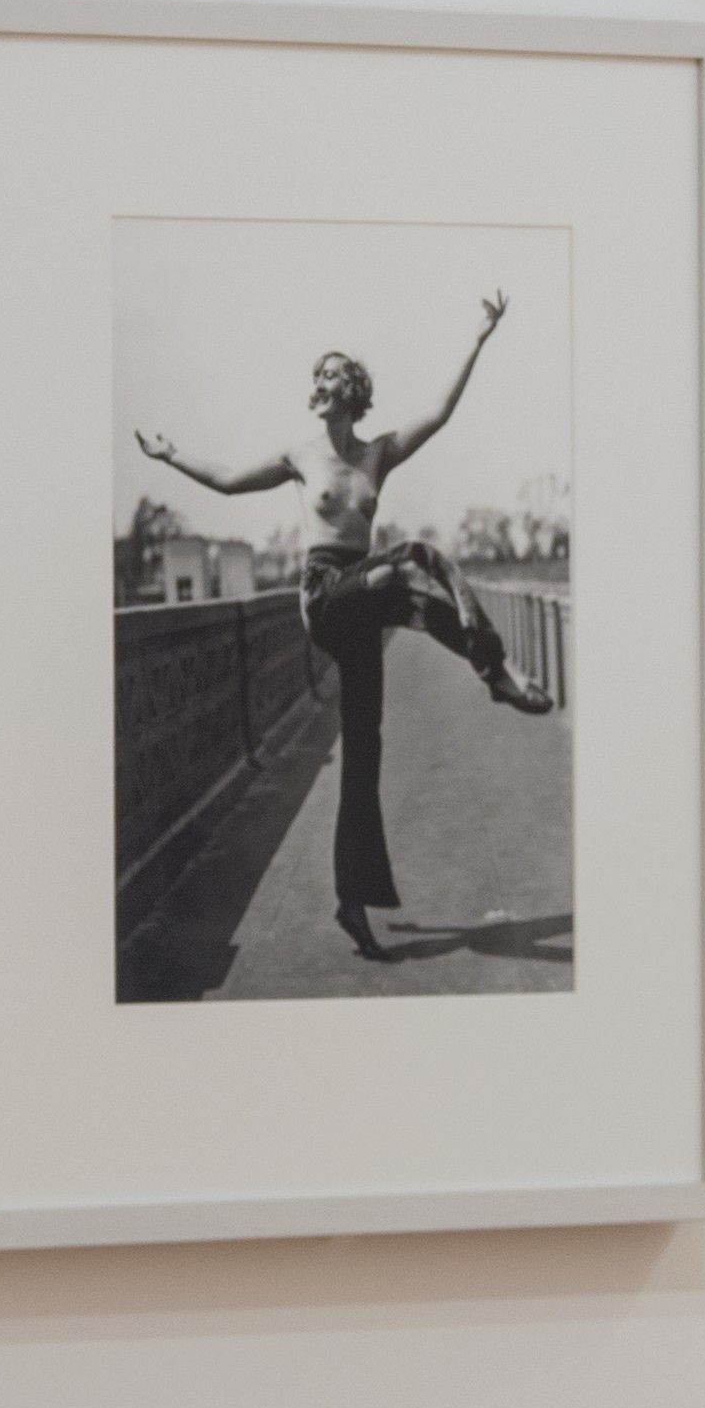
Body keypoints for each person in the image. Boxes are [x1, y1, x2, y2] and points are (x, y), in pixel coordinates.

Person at [132, 295, 554, 959]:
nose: (319, 382)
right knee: (414, 561)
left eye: (331, 374)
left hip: (366, 601)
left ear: (353, 391)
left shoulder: (377, 454)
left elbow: (440, 413)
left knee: (364, 752)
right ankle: (495, 671)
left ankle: (352, 902)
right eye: (316, 376)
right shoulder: (300, 455)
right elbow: (231, 482)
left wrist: (479, 337)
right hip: (327, 592)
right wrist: (171, 455)